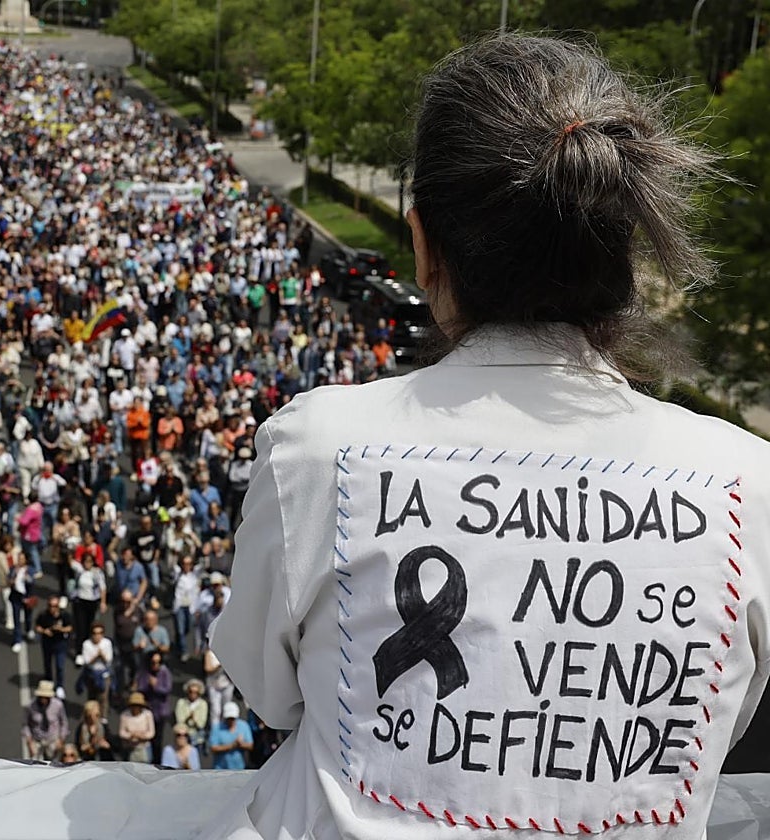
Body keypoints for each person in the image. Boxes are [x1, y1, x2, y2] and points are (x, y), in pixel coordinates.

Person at [205, 34, 770, 840]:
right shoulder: (749, 482)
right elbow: (719, 720)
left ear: (424, 243)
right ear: (625, 256)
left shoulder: (318, 446)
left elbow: (268, 688)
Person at [22, 680, 69, 761]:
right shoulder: (30, 706)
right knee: (36, 765)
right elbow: (25, 724)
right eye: (41, 696)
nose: (43, 699)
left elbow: (63, 722)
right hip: (37, 741)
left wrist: (61, 739)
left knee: (53, 764)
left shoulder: (58, 705)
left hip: (52, 740)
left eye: (46, 697)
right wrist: (29, 742)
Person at [35, 595, 72, 698]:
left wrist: (61, 629)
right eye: (50, 606)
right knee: (47, 663)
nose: (52, 608)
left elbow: (70, 627)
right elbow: (37, 627)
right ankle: (49, 681)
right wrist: (44, 631)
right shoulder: (43, 615)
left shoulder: (64, 615)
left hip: (60, 643)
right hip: (47, 642)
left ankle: (59, 685)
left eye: (55, 606)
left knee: (60, 665)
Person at [207, 702, 252, 771]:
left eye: (233, 718)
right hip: (220, 769)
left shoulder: (244, 726)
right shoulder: (217, 727)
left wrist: (241, 744)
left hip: (239, 769)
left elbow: (250, 745)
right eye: (229, 718)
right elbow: (213, 748)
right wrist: (232, 746)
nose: (231, 721)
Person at [116, 691, 156, 763]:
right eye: (134, 705)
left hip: (144, 747)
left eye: (138, 705)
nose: (135, 707)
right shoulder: (124, 715)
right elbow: (121, 732)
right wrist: (131, 735)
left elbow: (152, 732)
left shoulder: (148, 714)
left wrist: (142, 736)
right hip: (130, 747)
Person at [174, 678, 210, 755]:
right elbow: (179, 721)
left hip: (197, 737)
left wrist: (194, 719)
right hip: (183, 736)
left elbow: (201, 724)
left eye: (195, 692)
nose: (193, 694)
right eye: (191, 692)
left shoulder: (203, 704)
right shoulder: (181, 702)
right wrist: (188, 717)